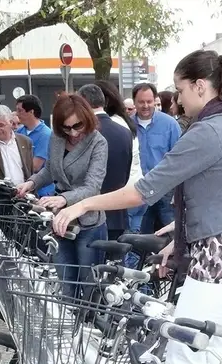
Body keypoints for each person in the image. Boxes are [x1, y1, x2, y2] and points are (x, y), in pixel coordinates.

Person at [51, 50, 222, 364]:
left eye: (181, 90)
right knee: (212, 356)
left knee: (185, 356)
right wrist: (177, 242)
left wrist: (80, 205)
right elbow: (220, 197)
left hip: (220, 258)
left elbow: (143, 190)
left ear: (200, 86)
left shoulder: (210, 131)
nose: (178, 101)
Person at [17, 94, 108, 296]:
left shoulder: (98, 143)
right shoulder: (57, 138)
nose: (73, 133)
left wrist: (65, 198)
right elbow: (51, 169)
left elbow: (93, 186)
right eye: (67, 128)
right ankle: (72, 323)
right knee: (66, 283)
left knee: (89, 286)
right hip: (59, 221)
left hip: (88, 223)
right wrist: (31, 183)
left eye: (78, 126)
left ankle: (90, 324)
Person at [77, 84, 134, 241]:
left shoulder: (83, 133)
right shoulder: (125, 132)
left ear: (83, 102)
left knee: (92, 265)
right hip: (118, 212)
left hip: (89, 215)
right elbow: (127, 170)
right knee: (116, 264)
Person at [128, 82, 182, 234]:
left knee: (171, 232)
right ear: (134, 102)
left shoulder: (170, 125)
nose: (145, 105)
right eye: (141, 102)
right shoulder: (127, 125)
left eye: (149, 101)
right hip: (138, 189)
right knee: (136, 235)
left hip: (165, 189)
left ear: (155, 100)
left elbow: (179, 159)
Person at [15, 94, 55, 196]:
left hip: (41, 191)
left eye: (20, 110)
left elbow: (36, 166)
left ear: (31, 112)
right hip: (22, 189)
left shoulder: (46, 134)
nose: (17, 114)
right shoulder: (19, 132)